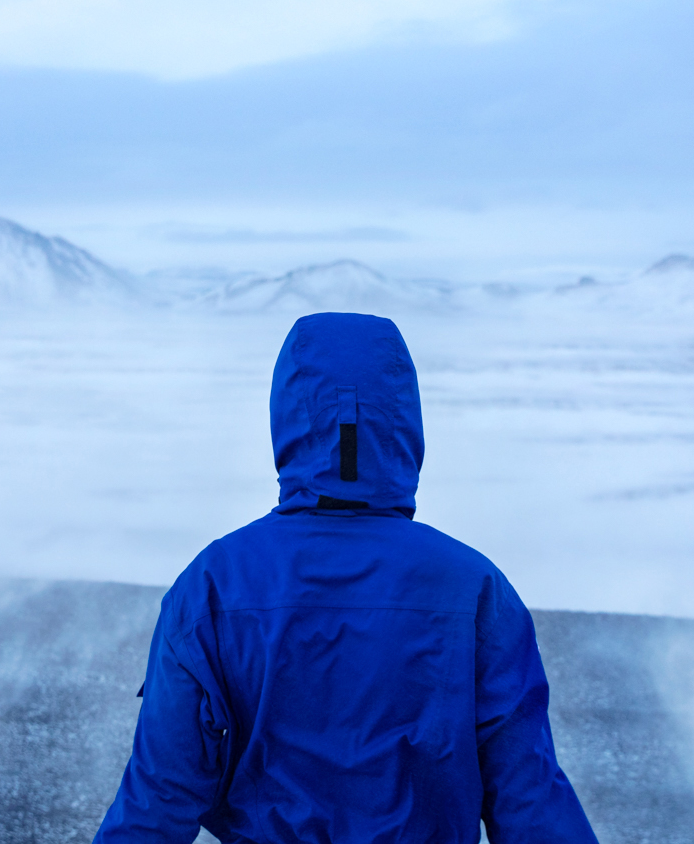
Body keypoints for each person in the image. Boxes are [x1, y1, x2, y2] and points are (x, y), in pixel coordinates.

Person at [93, 311, 598, 844]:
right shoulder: (476, 590)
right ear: (403, 418)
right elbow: (531, 802)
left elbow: (155, 802)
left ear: (287, 413)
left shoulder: (209, 587)